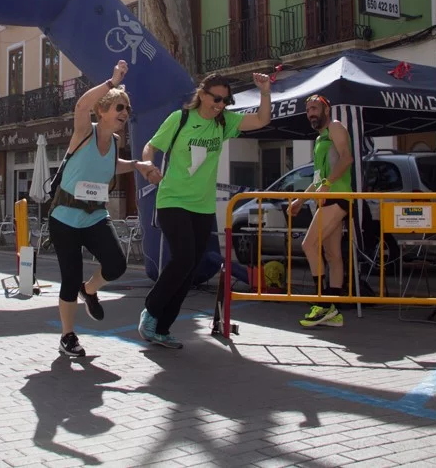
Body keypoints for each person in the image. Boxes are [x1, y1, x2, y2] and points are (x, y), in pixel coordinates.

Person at [139, 71, 272, 348]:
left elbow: (262, 119)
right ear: (202, 94)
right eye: (216, 98)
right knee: (184, 258)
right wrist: (149, 167)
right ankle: (151, 309)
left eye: (225, 100)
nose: (220, 104)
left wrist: (265, 92)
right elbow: (150, 146)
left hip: (202, 206)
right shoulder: (180, 119)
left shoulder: (224, 124)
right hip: (172, 200)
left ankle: (162, 328)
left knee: (190, 268)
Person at [51, 59, 157, 357]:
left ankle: (91, 289)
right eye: (119, 107)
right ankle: (68, 335)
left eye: (127, 109)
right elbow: (82, 105)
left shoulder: (114, 141)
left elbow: (112, 164)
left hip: (96, 214)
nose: (125, 113)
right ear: (103, 110)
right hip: (65, 217)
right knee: (69, 278)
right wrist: (112, 81)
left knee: (117, 265)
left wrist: (138, 165)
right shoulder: (85, 130)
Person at [288, 94, 354, 328]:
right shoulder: (318, 140)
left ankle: (322, 303)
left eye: (315, 108)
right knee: (332, 255)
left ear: (327, 109)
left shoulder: (335, 127)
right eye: (308, 110)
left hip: (337, 195)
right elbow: (318, 179)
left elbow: (347, 158)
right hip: (326, 197)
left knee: (309, 244)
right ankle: (333, 309)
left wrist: (327, 185)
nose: (311, 113)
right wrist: (300, 200)